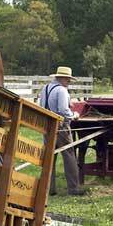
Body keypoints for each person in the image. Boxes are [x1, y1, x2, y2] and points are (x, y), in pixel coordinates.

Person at [39, 66, 86, 196]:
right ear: (62, 78)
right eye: (68, 80)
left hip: (46, 125)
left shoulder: (46, 88)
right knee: (69, 155)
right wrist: (74, 115)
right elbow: (63, 110)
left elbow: (42, 106)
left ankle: (49, 188)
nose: (69, 82)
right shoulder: (62, 90)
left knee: (49, 157)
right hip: (61, 127)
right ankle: (74, 188)